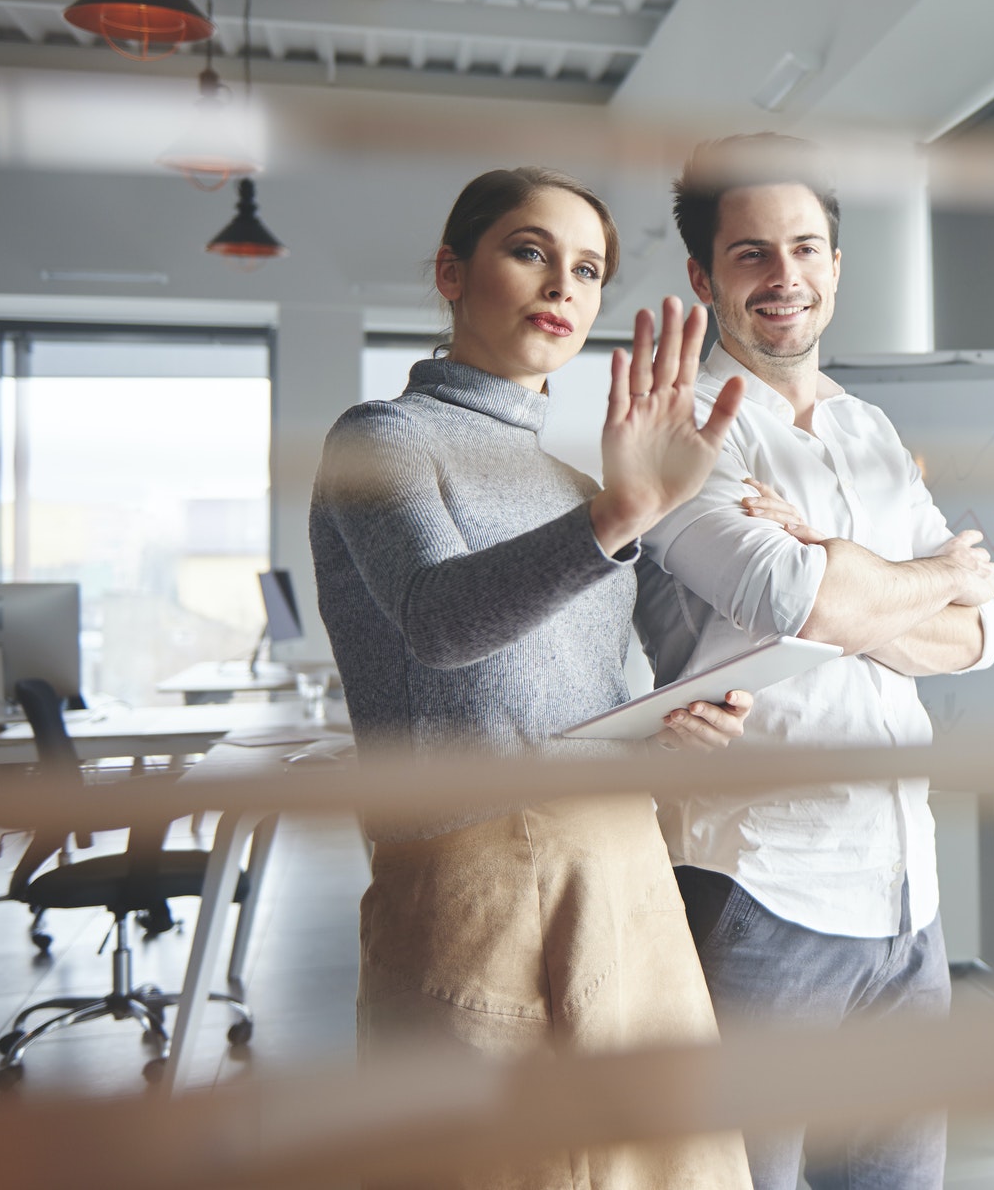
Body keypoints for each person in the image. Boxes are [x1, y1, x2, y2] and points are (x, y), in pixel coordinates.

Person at [309, 166, 752, 1190]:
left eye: (587, 268)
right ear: (451, 272)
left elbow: (590, 688)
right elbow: (438, 622)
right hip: (469, 885)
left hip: (621, 869)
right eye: (528, 251)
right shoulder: (380, 439)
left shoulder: (573, 483)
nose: (562, 285)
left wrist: (664, 721)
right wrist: (618, 517)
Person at [635, 135, 994, 1190]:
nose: (784, 276)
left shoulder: (871, 430)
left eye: (805, 248)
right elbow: (794, 601)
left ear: (837, 267)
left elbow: (979, 637)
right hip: (761, 892)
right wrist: (911, 572)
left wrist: (842, 568)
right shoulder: (683, 437)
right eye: (750, 255)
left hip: (903, 898)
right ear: (705, 279)